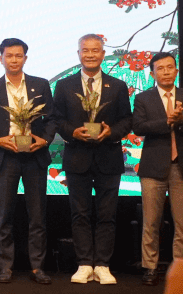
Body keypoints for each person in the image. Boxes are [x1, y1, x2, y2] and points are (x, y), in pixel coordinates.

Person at [53, 34, 132, 285]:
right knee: (80, 214)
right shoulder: (64, 86)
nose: (90, 55)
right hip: (77, 157)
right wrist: (72, 132)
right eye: (85, 50)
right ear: (78, 54)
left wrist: (112, 132)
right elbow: (56, 119)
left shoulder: (117, 85)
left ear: (103, 54)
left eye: (95, 50)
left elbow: (126, 120)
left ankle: (103, 265)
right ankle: (85, 264)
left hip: (109, 157)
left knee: (107, 215)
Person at [0, 38, 56, 285]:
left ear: (25, 58)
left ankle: (37, 267)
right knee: (3, 216)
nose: (14, 60)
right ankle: (5, 267)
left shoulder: (40, 84)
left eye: (18, 55)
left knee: (38, 216)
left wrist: (44, 140)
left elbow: (51, 118)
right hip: (7, 157)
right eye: (9, 55)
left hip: (35, 156)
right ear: (0, 58)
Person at [133, 52, 183, 287]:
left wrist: (182, 120)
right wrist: (166, 121)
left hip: (181, 167)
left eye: (169, 67)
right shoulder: (143, 98)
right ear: (152, 73)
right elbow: (138, 127)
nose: (165, 72)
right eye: (160, 68)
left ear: (176, 70)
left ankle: (180, 268)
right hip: (153, 168)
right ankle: (150, 267)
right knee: (151, 222)